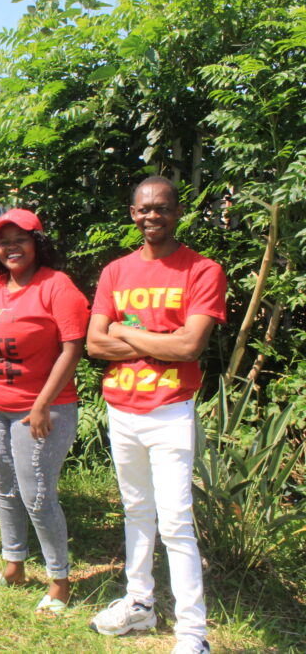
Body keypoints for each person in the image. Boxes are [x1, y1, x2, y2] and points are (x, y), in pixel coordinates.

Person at [87, 177, 225, 654]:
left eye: (162, 208)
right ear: (132, 213)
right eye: (144, 209)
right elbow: (92, 344)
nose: (153, 216)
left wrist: (125, 334)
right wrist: (158, 344)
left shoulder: (201, 270)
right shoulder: (115, 272)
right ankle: (140, 602)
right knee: (135, 511)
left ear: (177, 212)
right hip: (121, 409)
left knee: (176, 523)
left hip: (170, 411)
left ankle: (193, 634)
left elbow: (191, 345)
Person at [0, 209, 88, 615]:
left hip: (42, 411)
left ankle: (59, 582)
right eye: (3, 241)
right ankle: (14, 566)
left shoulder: (57, 286)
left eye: (21, 239)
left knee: (38, 496)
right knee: (5, 488)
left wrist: (43, 403)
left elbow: (73, 348)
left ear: (38, 243)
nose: (12, 247)